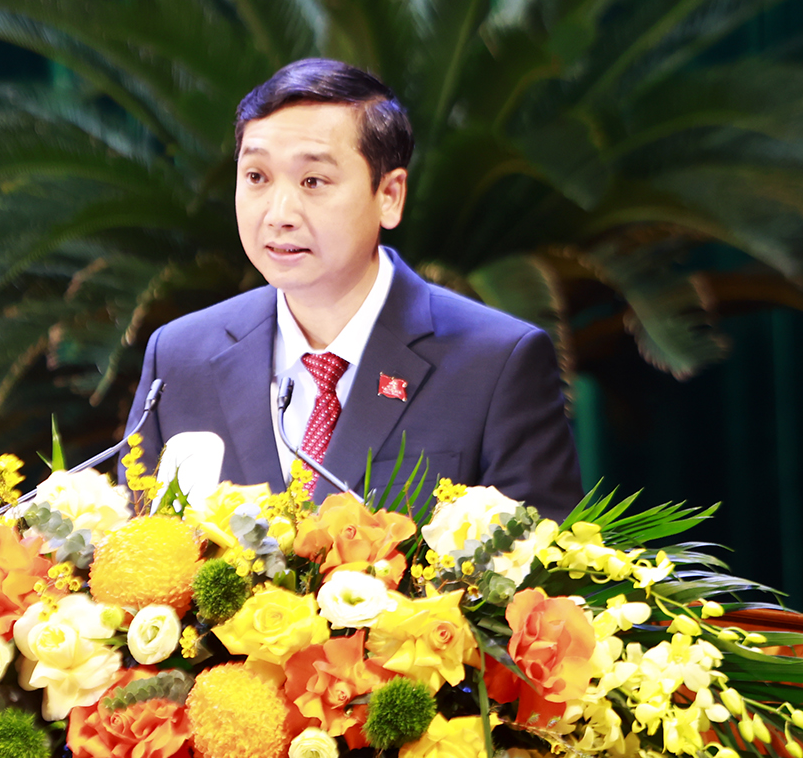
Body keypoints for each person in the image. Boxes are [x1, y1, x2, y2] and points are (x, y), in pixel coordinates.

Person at [125, 58, 582, 520]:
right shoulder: (179, 357)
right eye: (257, 177)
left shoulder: (496, 363)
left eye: (313, 181)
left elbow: (541, 559)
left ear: (389, 196)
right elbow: (134, 547)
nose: (279, 214)